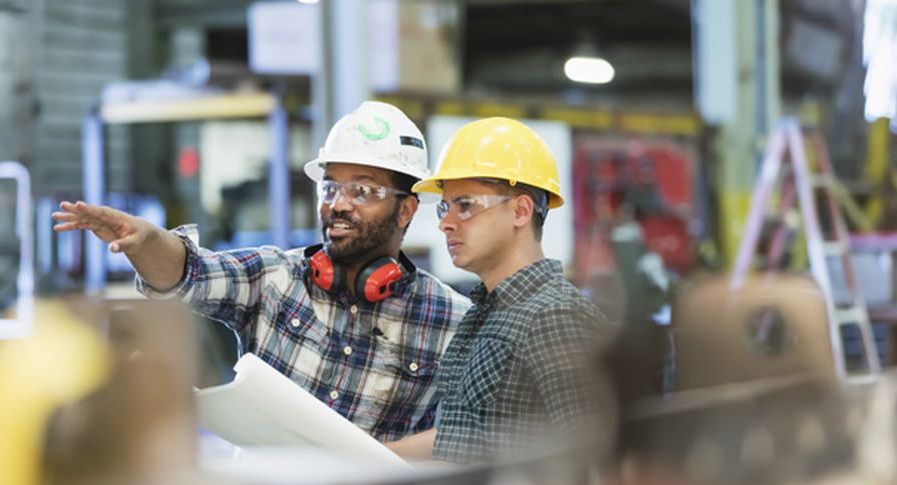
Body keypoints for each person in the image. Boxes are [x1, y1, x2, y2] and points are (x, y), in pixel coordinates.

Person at [53, 101, 470, 442]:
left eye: (362, 190)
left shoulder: (451, 320)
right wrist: (145, 240)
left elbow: (460, 441)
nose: (338, 204)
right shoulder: (274, 277)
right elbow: (188, 272)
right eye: (330, 187)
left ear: (407, 208)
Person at [386, 117, 613, 464]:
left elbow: (599, 457)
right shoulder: (484, 313)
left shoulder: (555, 318)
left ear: (521, 211)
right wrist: (365, 457)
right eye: (446, 207)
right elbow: (458, 436)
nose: (445, 222)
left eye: (465, 205)